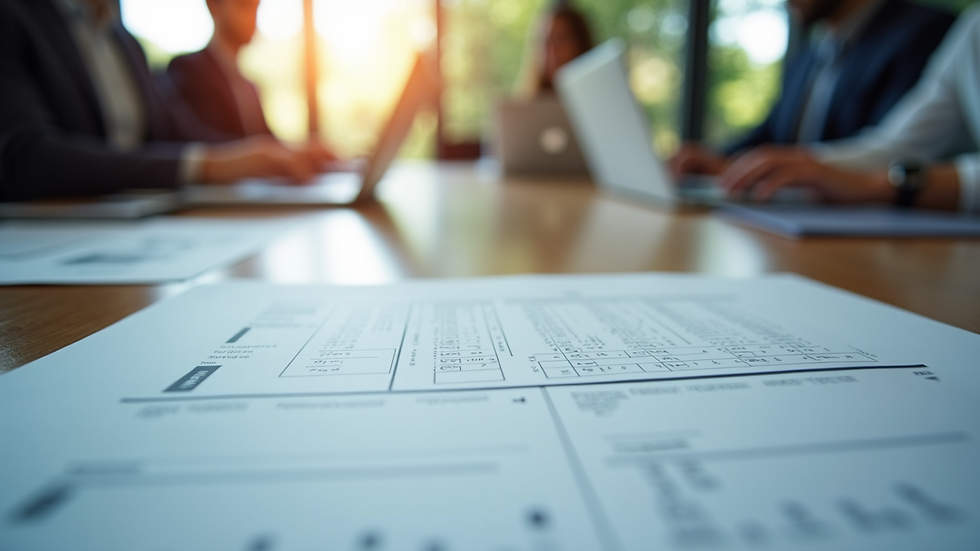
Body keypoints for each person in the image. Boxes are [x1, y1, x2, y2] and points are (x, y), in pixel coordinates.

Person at [0, 0, 324, 202]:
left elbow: (179, 132)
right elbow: (22, 157)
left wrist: (267, 157)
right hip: (54, 240)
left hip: (146, 225)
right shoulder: (13, 16)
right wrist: (209, 166)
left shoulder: (126, 43)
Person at [719, 4, 980, 213]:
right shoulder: (973, 26)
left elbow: (902, 160)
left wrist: (878, 185)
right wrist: (745, 167)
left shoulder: (923, 30)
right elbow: (898, 147)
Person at [670, 0, 956, 177]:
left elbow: (892, 151)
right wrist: (718, 160)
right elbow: (771, 134)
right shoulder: (809, 52)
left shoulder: (924, 32)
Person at [167, 0, 273, 139]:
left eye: (256, 8)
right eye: (244, 5)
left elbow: (269, 142)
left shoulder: (251, 87)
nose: (253, 17)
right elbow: (200, 144)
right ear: (213, 6)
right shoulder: (187, 70)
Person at [517, 2, 594, 97]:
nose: (552, 51)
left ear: (580, 43)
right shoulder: (525, 104)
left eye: (560, 39)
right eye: (546, 42)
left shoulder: (599, 94)